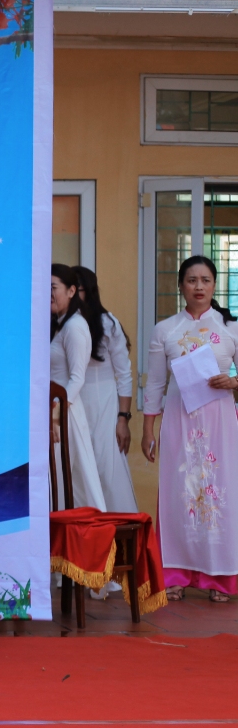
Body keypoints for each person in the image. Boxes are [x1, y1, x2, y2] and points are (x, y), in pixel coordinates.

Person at [141, 254, 238, 603]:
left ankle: (220, 577)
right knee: (178, 493)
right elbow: (155, 384)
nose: (199, 286)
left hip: (220, 422)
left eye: (206, 280)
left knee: (220, 494)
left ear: (215, 285)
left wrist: (233, 382)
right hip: (179, 420)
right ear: (180, 285)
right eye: (192, 280)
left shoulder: (230, 328)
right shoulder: (165, 330)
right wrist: (148, 429)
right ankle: (175, 574)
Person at [72, 267, 138, 514]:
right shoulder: (57, 325)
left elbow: (124, 375)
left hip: (104, 403)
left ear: (88, 291)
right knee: (76, 470)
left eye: (76, 289)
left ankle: (116, 529)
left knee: (107, 470)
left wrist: (123, 418)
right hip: (72, 403)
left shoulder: (107, 323)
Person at [50, 265, 106, 511]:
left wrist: (55, 414)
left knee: (61, 476)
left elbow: (77, 378)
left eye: (53, 288)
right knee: (55, 478)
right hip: (54, 410)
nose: (48, 294)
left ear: (72, 291)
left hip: (64, 413)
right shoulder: (59, 324)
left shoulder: (74, 326)